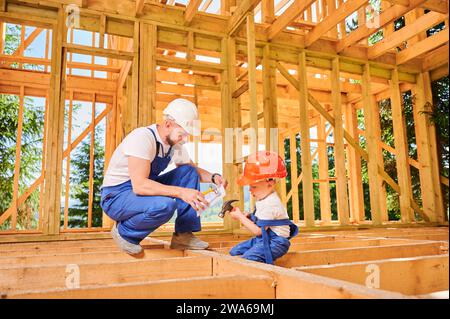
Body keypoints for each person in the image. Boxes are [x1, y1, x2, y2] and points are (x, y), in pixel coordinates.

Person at [100, 98, 227, 256]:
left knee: (188, 171)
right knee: (165, 205)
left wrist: (214, 177)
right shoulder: (142, 138)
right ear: (168, 124)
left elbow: (193, 171)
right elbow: (139, 185)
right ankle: (125, 232)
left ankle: (183, 235)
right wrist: (181, 192)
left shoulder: (174, 145)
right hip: (116, 197)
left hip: (140, 190)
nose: (185, 139)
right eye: (182, 134)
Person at [228, 151, 298, 264]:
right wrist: (249, 217)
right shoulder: (263, 199)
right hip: (264, 239)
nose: (250, 190)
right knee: (235, 252)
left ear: (270, 184)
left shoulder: (271, 203)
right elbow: (262, 222)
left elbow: (258, 231)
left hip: (276, 243)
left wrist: (241, 217)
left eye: (254, 187)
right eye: (249, 187)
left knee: (248, 259)